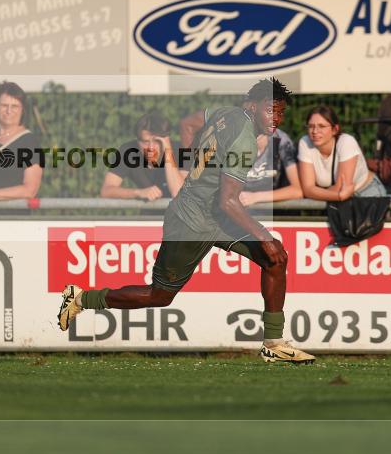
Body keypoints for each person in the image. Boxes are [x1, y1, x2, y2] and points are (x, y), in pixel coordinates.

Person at [58, 78, 315, 363]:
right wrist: (264, 237)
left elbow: (187, 123)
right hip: (191, 220)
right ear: (252, 106)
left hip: (217, 216)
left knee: (276, 259)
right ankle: (81, 298)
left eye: (280, 111)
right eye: (271, 110)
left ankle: (274, 343)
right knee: (159, 296)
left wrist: (194, 165)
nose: (276, 117)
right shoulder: (245, 140)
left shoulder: (225, 112)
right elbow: (229, 201)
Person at [180, 99, 301, 206]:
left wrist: (256, 197)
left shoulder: (281, 141)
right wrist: (187, 169)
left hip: (269, 211)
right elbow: (186, 124)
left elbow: (297, 190)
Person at [298, 105, 386, 201]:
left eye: (321, 126)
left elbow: (340, 188)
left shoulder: (346, 142)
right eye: (311, 126)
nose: (315, 131)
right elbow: (308, 189)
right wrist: (338, 196)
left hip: (368, 193)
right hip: (337, 199)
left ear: (335, 129)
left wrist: (318, 193)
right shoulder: (305, 142)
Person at [100, 111, 188, 201]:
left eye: (157, 141)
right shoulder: (128, 151)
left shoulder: (181, 151)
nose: (150, 148)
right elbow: (106, 191)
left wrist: (168, 150)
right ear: (137, 141)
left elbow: (178, 193)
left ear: (166, 139)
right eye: (145, 142)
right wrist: (138, 193)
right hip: (149, 212)